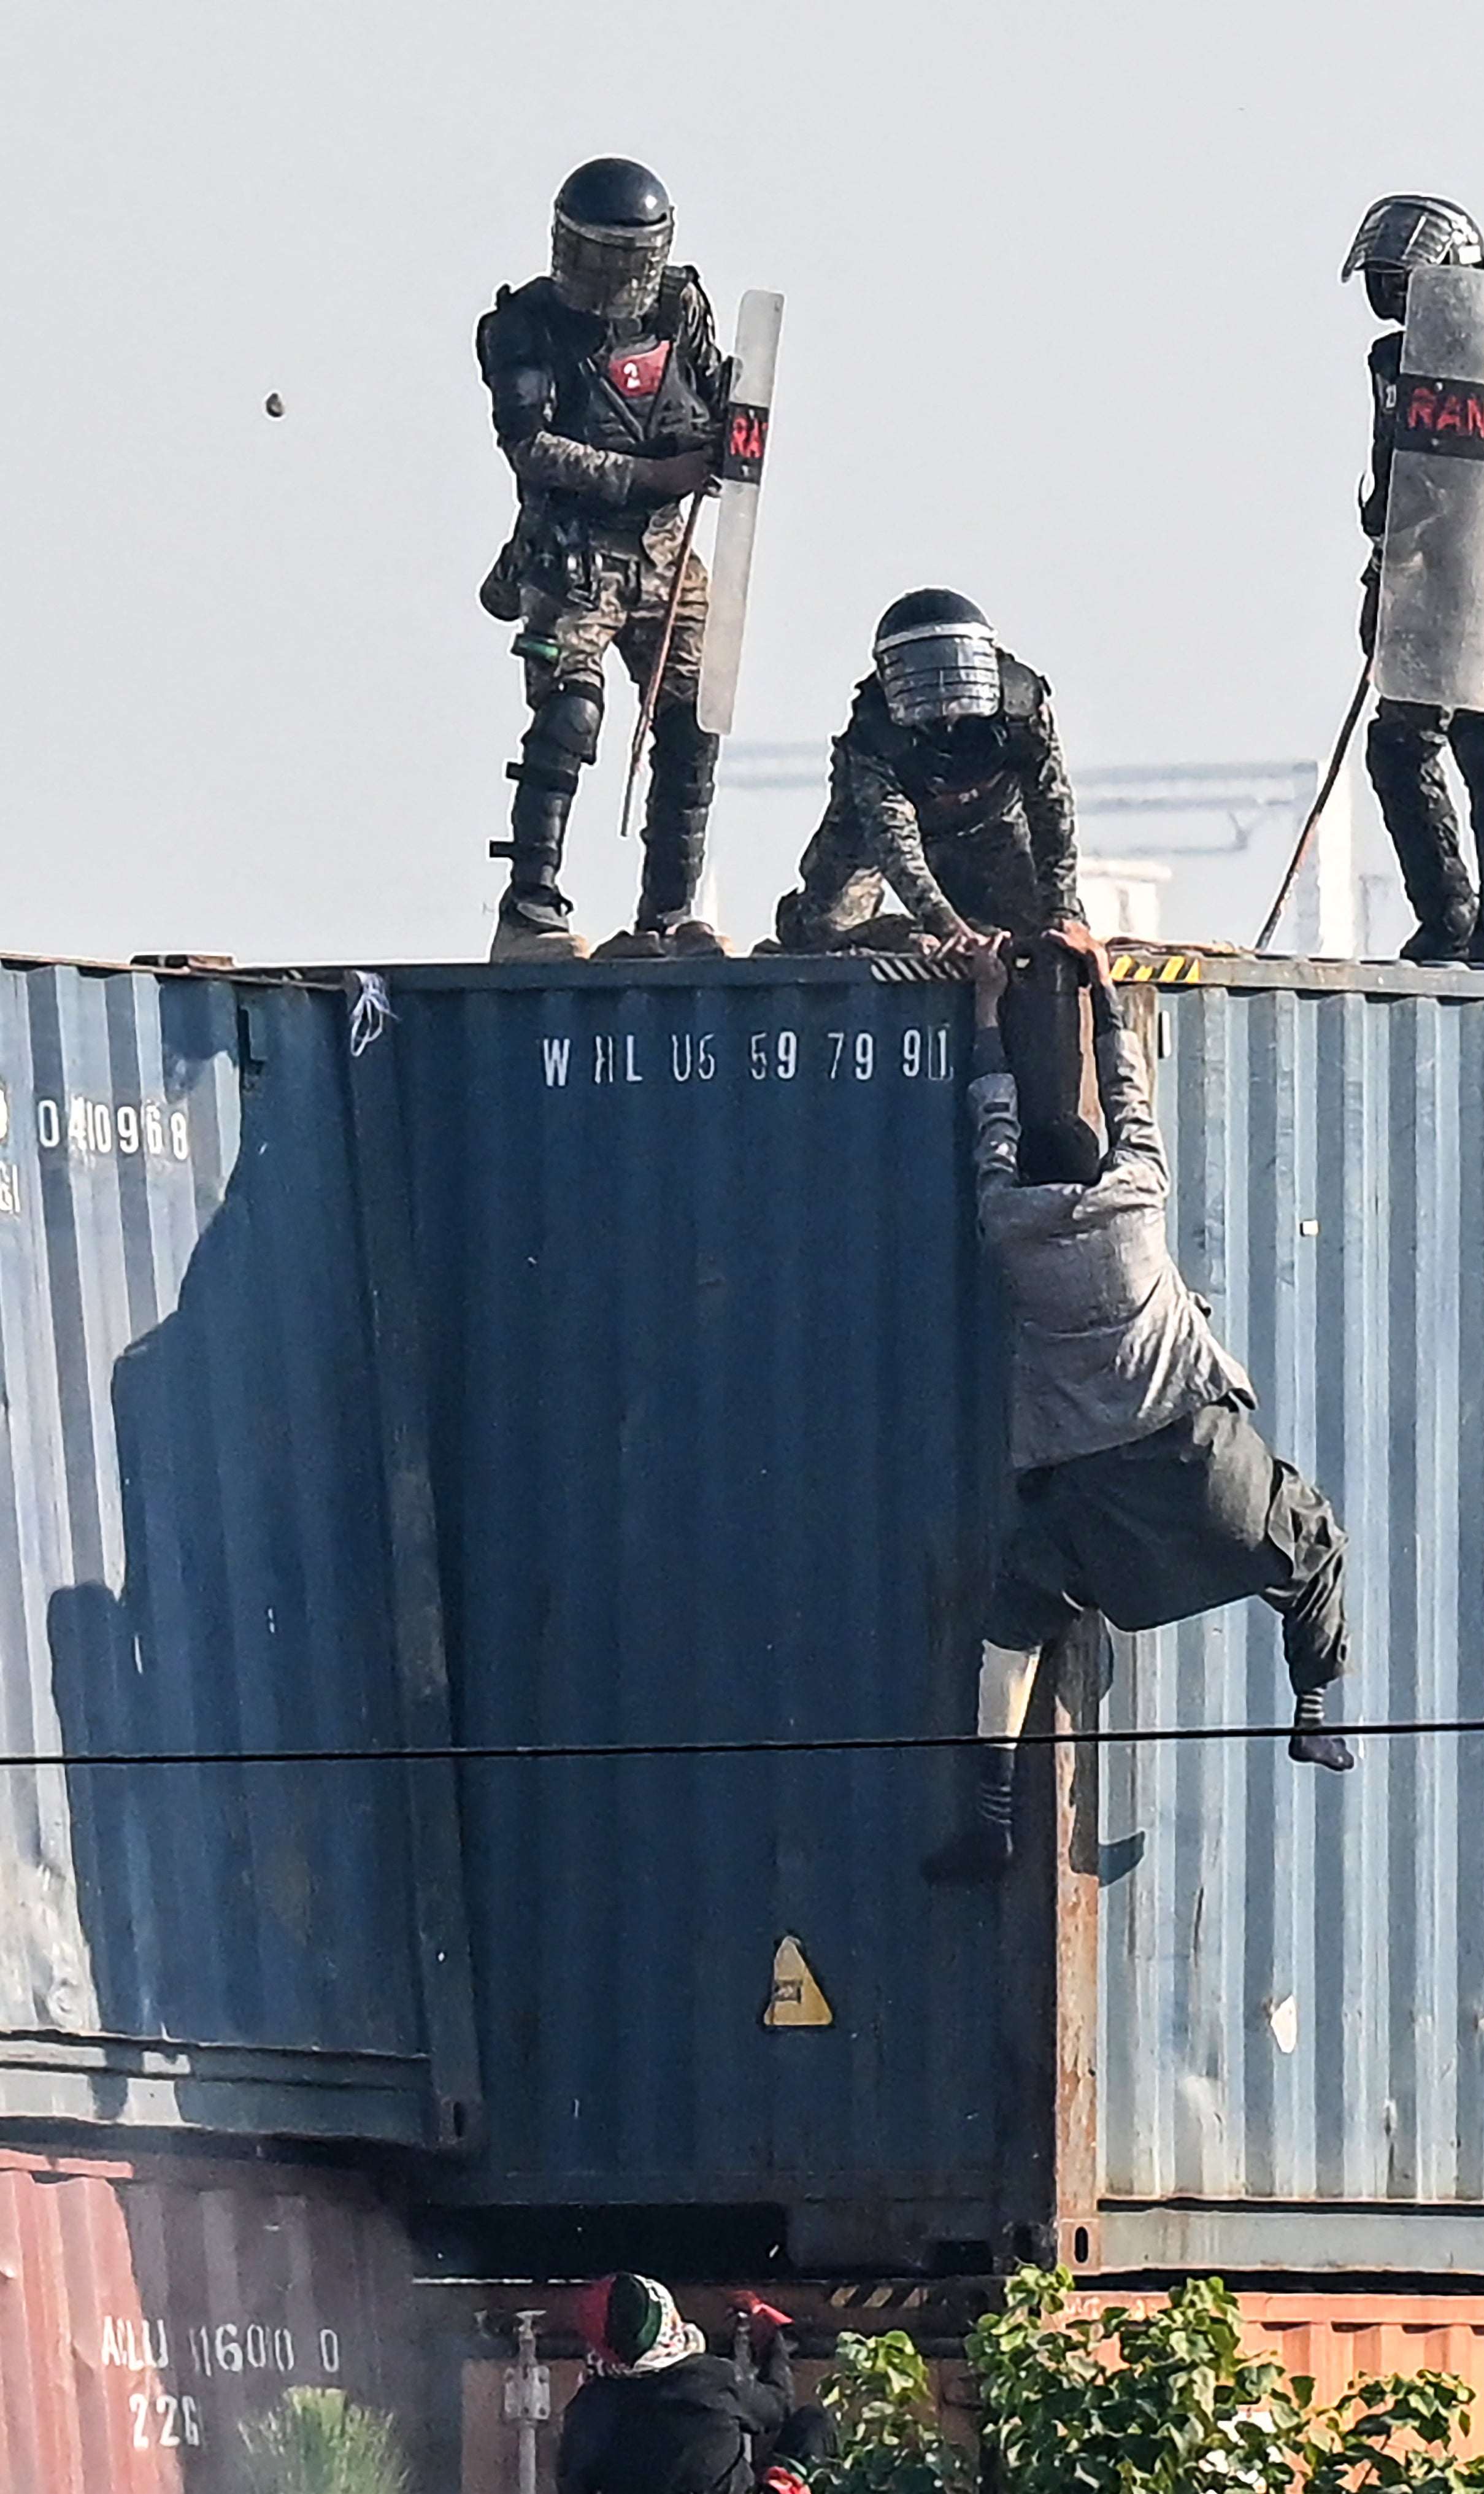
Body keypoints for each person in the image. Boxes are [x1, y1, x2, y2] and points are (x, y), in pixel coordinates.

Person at [928, 933, 1355, 1882]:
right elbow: (1132, 1098)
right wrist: (1106, 989)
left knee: (1012, 1625)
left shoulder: (1007, 1228)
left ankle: (993, 1814)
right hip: (1200, 1460)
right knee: (1313, 1539)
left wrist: (989, 1005)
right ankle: (1316, 1715)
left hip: (1092, 1498)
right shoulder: (1134, 1199)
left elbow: (989, 1125)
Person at [475, 158, 735, 963]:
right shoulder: (523, 328)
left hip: (669, 548)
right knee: (570, 712)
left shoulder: (678, 307)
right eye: (590, 255)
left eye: (622, 258)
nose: (606, 277)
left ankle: (669, 911)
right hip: (573, 553)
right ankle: (529, 912)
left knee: (694, 724)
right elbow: (529, 447)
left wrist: (730, 435)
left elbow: (719, 387)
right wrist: (651, 473)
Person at [1344, 191, 1484, 968]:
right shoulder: (1390, 364)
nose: (1393, 298)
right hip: (1412, 576)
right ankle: (1448, 915)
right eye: (1387, 282)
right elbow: (1392, 484)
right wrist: (1384, 574)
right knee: (1397, 748)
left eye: (1408, 282)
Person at [769, 590, 1085, 955]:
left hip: (991, 824)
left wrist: (1062, 910)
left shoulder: (1022, 708)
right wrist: (944, 925)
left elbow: (1052, 809)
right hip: (866, 831)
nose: (942, 689)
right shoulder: (875, 733)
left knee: (1047, 933)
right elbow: (894, 842)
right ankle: (893, 931)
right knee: (822, 929)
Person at [555, 2274, 829, 2494]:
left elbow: (572, 2483)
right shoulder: (711, 2378)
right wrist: (773, 2345)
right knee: (813, 2424)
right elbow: (777, 2408)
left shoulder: (588, 2407)